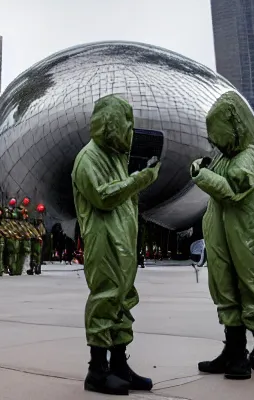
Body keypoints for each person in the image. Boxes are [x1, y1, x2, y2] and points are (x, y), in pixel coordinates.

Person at [72, 94, 161, 395]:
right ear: (112, 125)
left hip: (123, 243)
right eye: (127, 126)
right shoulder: (88, 158)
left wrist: (136, 178)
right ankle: (97, 371)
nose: (130, 133)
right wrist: (140, 180)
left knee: (122, 301)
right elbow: (103, 196)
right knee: (105, 298)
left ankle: (119, 365)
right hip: (103, 242)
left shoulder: (117, 159)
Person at [190, 91, 254, 380]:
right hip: (223, 235)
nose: (217, 142)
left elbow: (234, 189)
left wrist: (201, 174)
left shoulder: (250, 157)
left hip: (243, 233)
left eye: (219, 135)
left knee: (248, 286)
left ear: (234, 126)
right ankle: (234, 350)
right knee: (225, 288)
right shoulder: (226, 157)